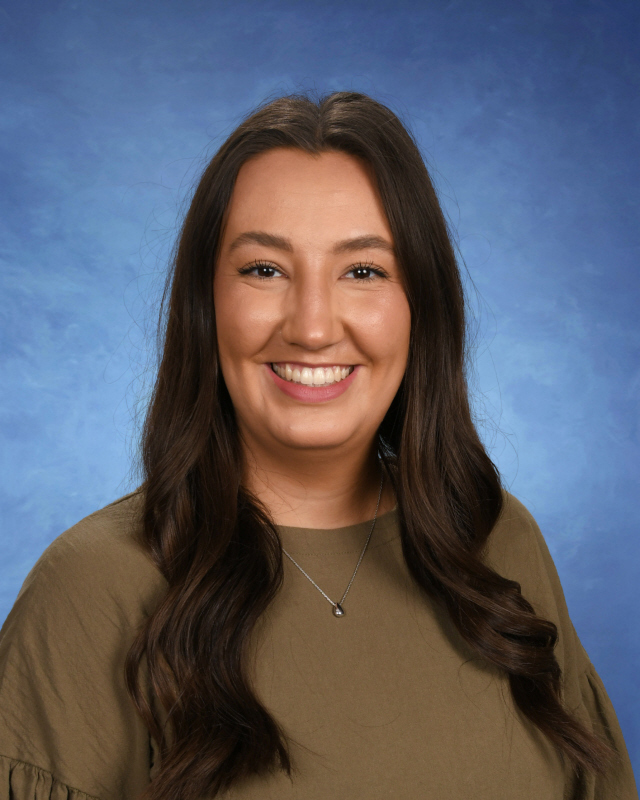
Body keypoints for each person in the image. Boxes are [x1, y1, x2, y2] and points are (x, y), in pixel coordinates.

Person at [0, 91, 636, 800]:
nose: (311, 327)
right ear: (205, 305)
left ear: (420, 306)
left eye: (363, 271)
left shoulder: (496, 543)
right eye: (264, 269)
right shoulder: (91, 591)